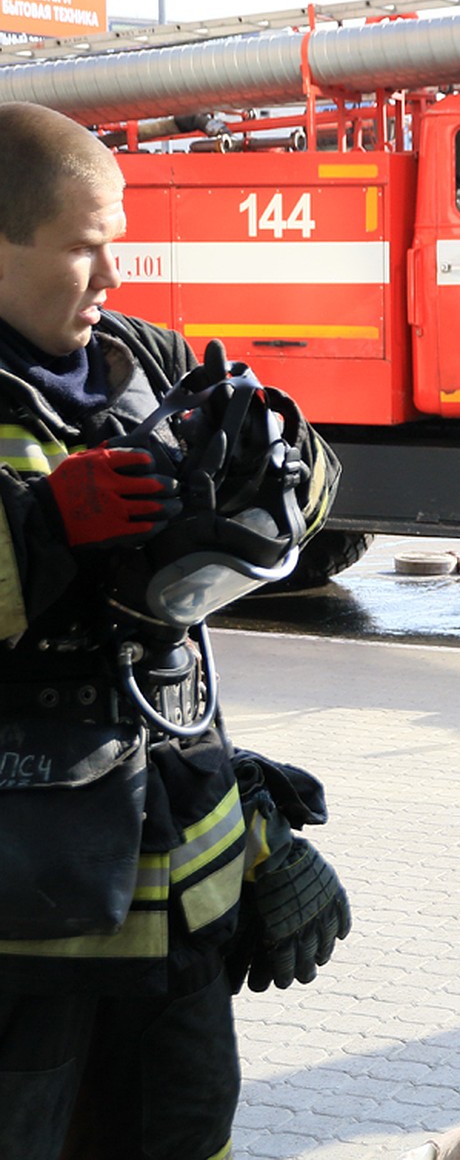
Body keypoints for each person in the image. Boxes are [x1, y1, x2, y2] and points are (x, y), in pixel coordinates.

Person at [0, 101, 349, 1158]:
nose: (112, 283)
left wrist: (276, 468)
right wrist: (44, 525)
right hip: (27, 935)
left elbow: (322, 482)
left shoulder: (144, 358)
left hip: (185, 911)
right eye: (84, 251)